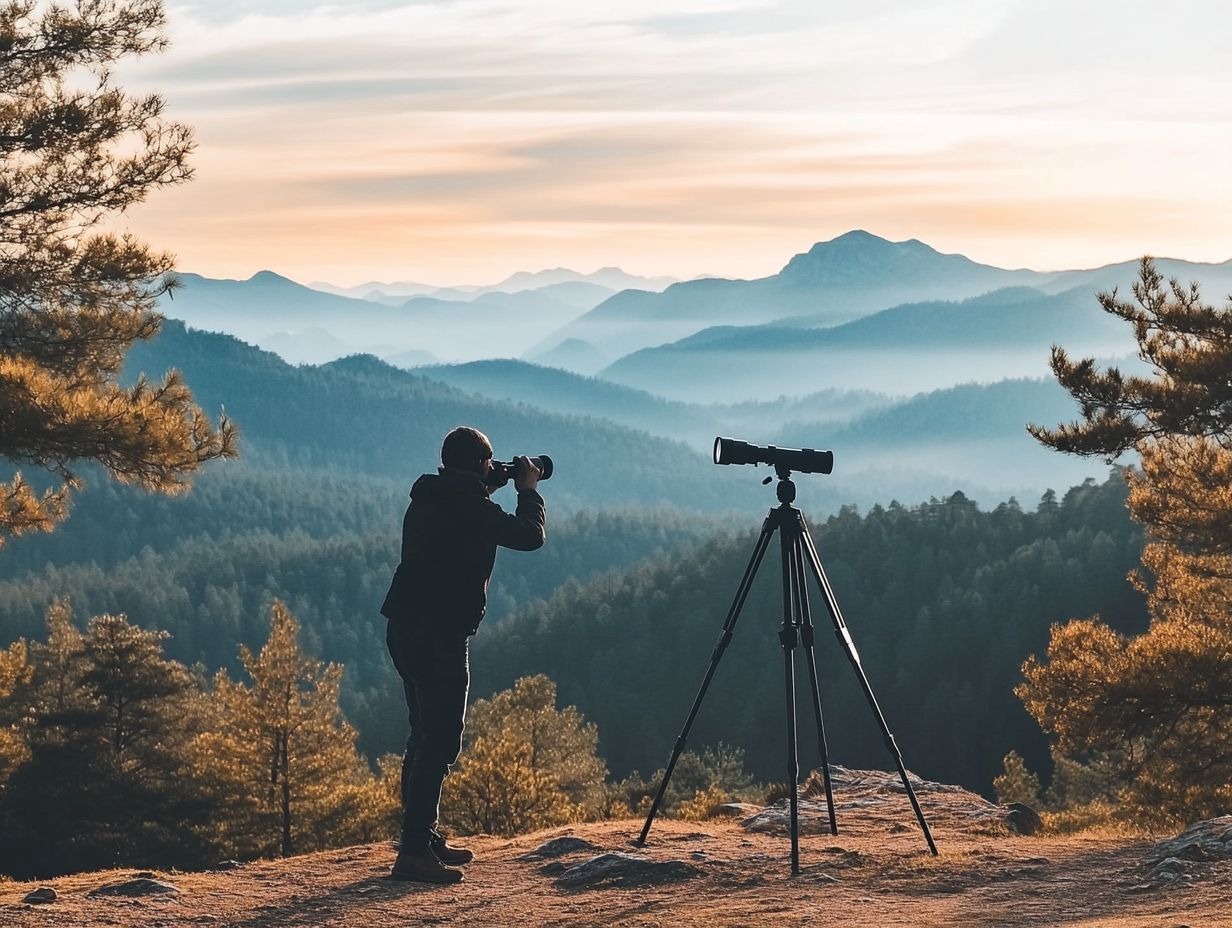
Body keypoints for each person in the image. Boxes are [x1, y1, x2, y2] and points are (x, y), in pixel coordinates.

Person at [381, 426, 546, 883]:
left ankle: (420, 836)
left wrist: (484, 482)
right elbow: (529, 536)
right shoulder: (471, 507)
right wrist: (528, 491)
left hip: (405, 627)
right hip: (440, 635)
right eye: (489, 464)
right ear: (478, 466)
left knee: (422, 734)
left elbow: (464, 510)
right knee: (441, 739)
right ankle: (413, 852)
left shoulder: (429, 496)